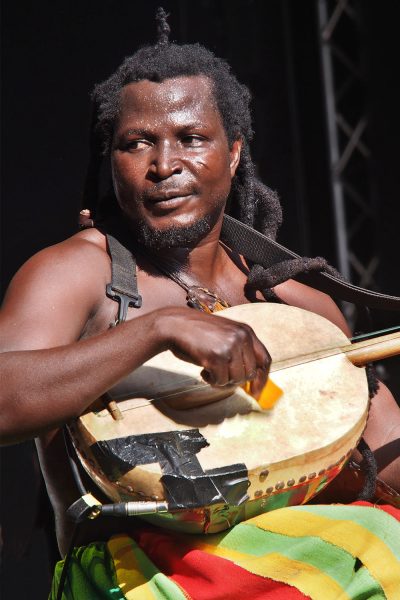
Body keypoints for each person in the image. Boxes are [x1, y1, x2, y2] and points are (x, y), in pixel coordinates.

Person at [1, 9, 399, 599]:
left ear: (234, 153)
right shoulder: (76, 274)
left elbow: (385, 464)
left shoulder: (294, 301)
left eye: (191, 139)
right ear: (112, 159)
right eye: (137, 144)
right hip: (142, 578)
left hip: (310, 570)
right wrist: (158, 329)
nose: (165, 166)